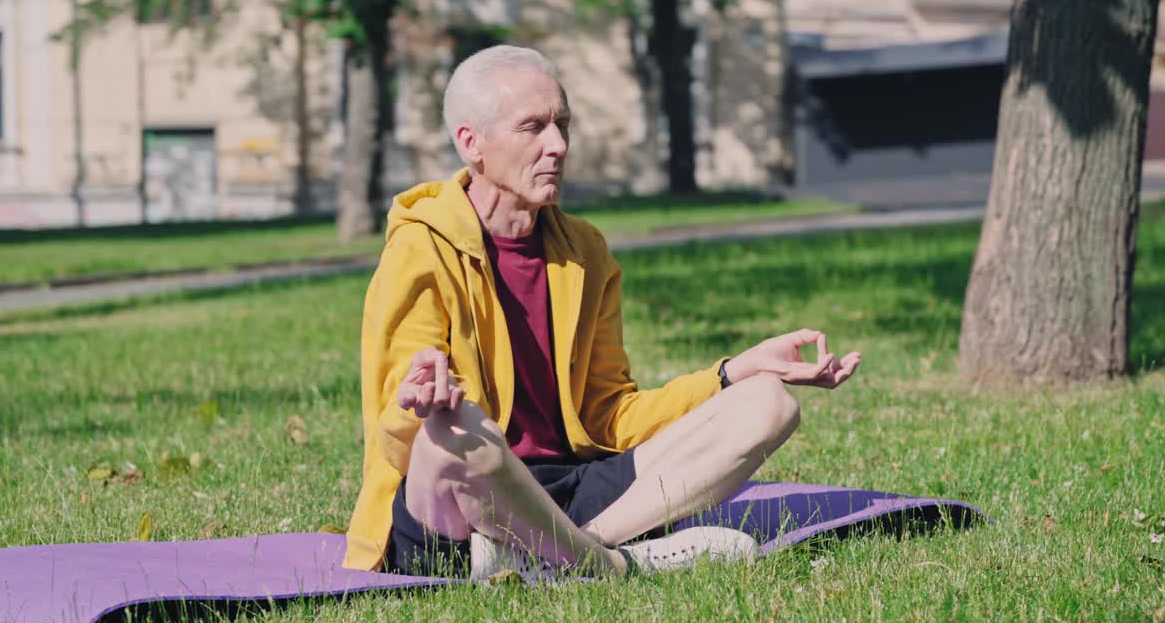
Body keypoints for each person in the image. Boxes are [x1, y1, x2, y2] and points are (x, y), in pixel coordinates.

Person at [342, 45, 861, 580]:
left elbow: (611, 416)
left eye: (562, 125)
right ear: (471, 143)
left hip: (575, 491)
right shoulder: (418, 249)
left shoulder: (585, 252)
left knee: (769, 404)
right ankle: (611, 566)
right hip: (464, 510)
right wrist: (420, 404)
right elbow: (399, 439)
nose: (558, 146)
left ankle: (574, 554)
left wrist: (733, 373)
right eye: (533, 128)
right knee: (456, 428)